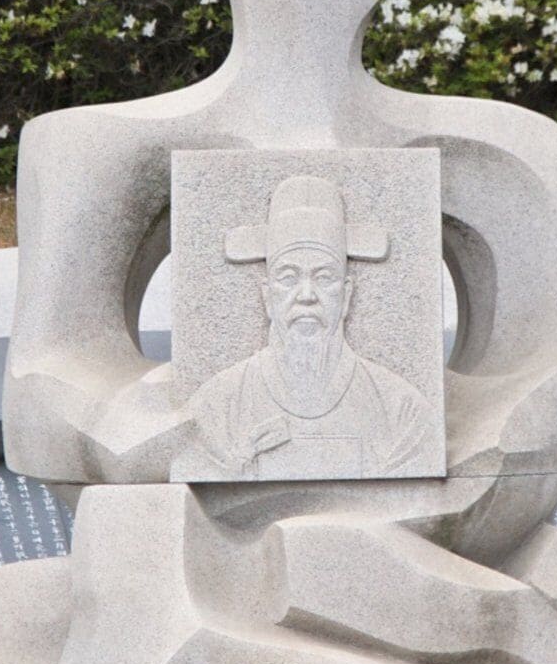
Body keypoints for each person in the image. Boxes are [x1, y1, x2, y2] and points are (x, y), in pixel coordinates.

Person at [181, 172, 437, 480]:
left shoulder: (401, 410)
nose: (306, 296)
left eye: (325, 277)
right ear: (266, 296)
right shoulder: (217, 407)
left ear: (346, 295)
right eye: (288, 278)